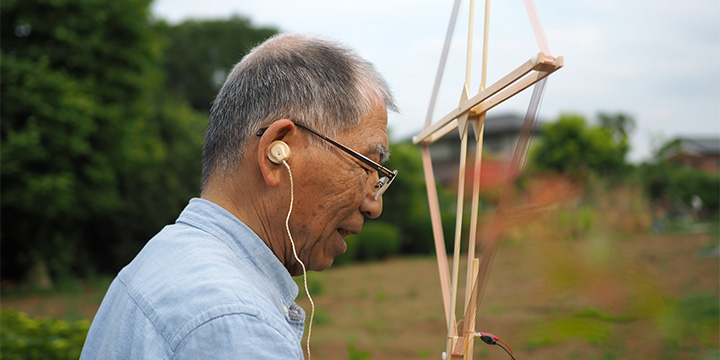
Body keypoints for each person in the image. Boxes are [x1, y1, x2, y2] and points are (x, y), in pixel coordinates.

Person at [80, 33, 398, 359]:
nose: (374, 204)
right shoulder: (237, 325)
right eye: (368, 165)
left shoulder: (161, 260)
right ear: (277, 152)